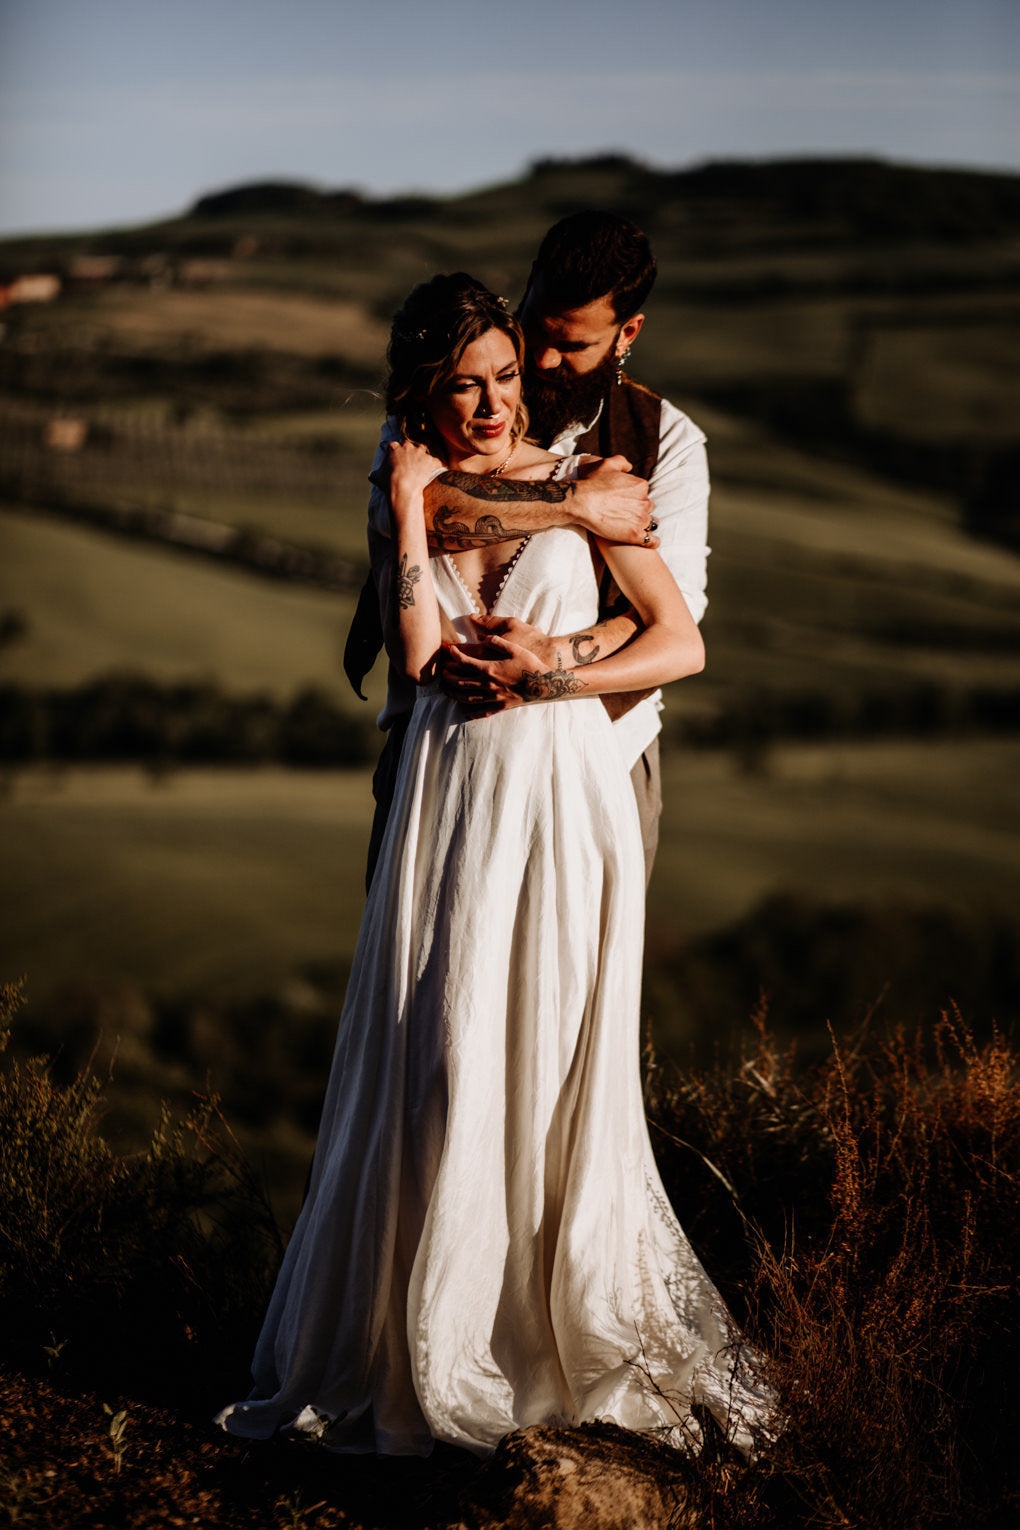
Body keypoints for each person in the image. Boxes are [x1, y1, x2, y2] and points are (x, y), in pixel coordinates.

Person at [216, 275, 769, 1457]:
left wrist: (549, 671)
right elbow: (420, 656)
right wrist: (409, 511)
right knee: (441, 1048)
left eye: (507, 378)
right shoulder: (406, 484)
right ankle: (426, 1330)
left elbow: (681, 640)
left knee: (549, 1047)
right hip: (450, 795)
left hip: (561, 792)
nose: (491, 404)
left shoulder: (595, 483)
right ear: (422, 391)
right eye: (463, 385)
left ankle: (545, 1338)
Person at [346, 211, 709, 891]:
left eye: (572, 344)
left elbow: (667, 619)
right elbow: (423, 508)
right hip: (433, 753)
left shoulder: (668, 442)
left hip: (603, 750)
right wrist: (575, 504)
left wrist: (543, 669)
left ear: (627, 333)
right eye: (536, 327)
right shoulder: (431, 405)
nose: (542, 360)